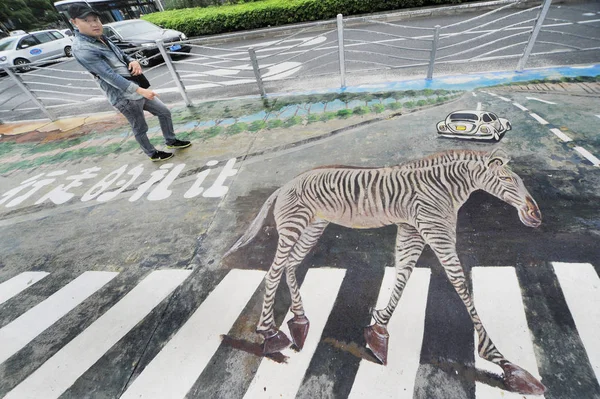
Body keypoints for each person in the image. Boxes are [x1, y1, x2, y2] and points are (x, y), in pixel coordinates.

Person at [68, 4, 191, 162]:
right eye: (87, 20)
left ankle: (171, 140)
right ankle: (152, 153)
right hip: (123, 96)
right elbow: (109, 76)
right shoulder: (82, 48)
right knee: (140, 127)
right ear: (74, 22)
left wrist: (133, 60)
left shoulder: (101, 37)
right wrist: (140, 91)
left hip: (136, 87)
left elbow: (121, 54)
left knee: (164, 112)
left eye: (96, 19)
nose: (94, 24)